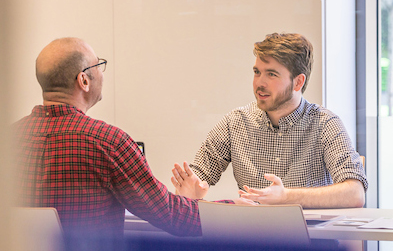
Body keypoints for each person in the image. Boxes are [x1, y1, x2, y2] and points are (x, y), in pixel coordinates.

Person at [12, 38, 252, 249]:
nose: (102, 74)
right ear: (83, 80)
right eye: (99, 66)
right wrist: (236, 208)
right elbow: (170, 215)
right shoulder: (108, 142)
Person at [171, 33, 368, 209]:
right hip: (252, 237)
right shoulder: (236, 122)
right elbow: (198, 176)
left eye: (271, 74)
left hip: (311, 240)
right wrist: (191, 191)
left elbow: (355, 193)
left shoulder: (325, 123)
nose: (259, 83)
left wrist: (286, 197)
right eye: (257, 72)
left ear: (298, 82)